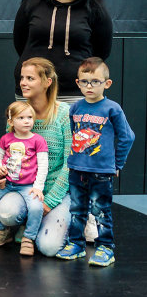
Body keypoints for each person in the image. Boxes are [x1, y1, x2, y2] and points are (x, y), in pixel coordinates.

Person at [56, 57, 134, 266]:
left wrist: (117, 164)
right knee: (77, 209)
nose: (89, 86)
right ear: (77, 83)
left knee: (101, 210)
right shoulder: (75, 108)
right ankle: (76, 244)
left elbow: (127, 136)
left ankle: (106, 247)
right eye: (84, 81)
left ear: (107, 83)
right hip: (76, 168)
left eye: (95, 82)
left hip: (101, 171)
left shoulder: (112, 108)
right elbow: (75, 134)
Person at [13, 0, 113, 102]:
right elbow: (20, 43)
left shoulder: (95, 10)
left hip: (74, 94)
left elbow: (102, 51)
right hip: (32, 92)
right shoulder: (32, 4)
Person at [0, 58, 73, 257]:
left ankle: (76, 220)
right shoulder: (17, 112)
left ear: (47, 82)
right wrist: (0, 175)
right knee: (6, 212)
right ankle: (26, 223)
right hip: (25, 190)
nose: (23, 83)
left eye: (30, 78)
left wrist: (49, 202)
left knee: (48, 247)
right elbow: (8, 156)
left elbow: (69, 163)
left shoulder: (64, 114)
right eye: (22, 78)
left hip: (56, 190)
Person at [0, 102, 48, 257]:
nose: (27, 121)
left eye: (30, 117)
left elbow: (43, 165)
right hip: (7, 184)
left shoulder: (38, 140)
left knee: (36, 208)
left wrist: (38, 187)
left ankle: (28, 237)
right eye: (21, 117)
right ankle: (2, 231)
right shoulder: (6, 139)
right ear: (11, 122)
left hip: (28, 186)